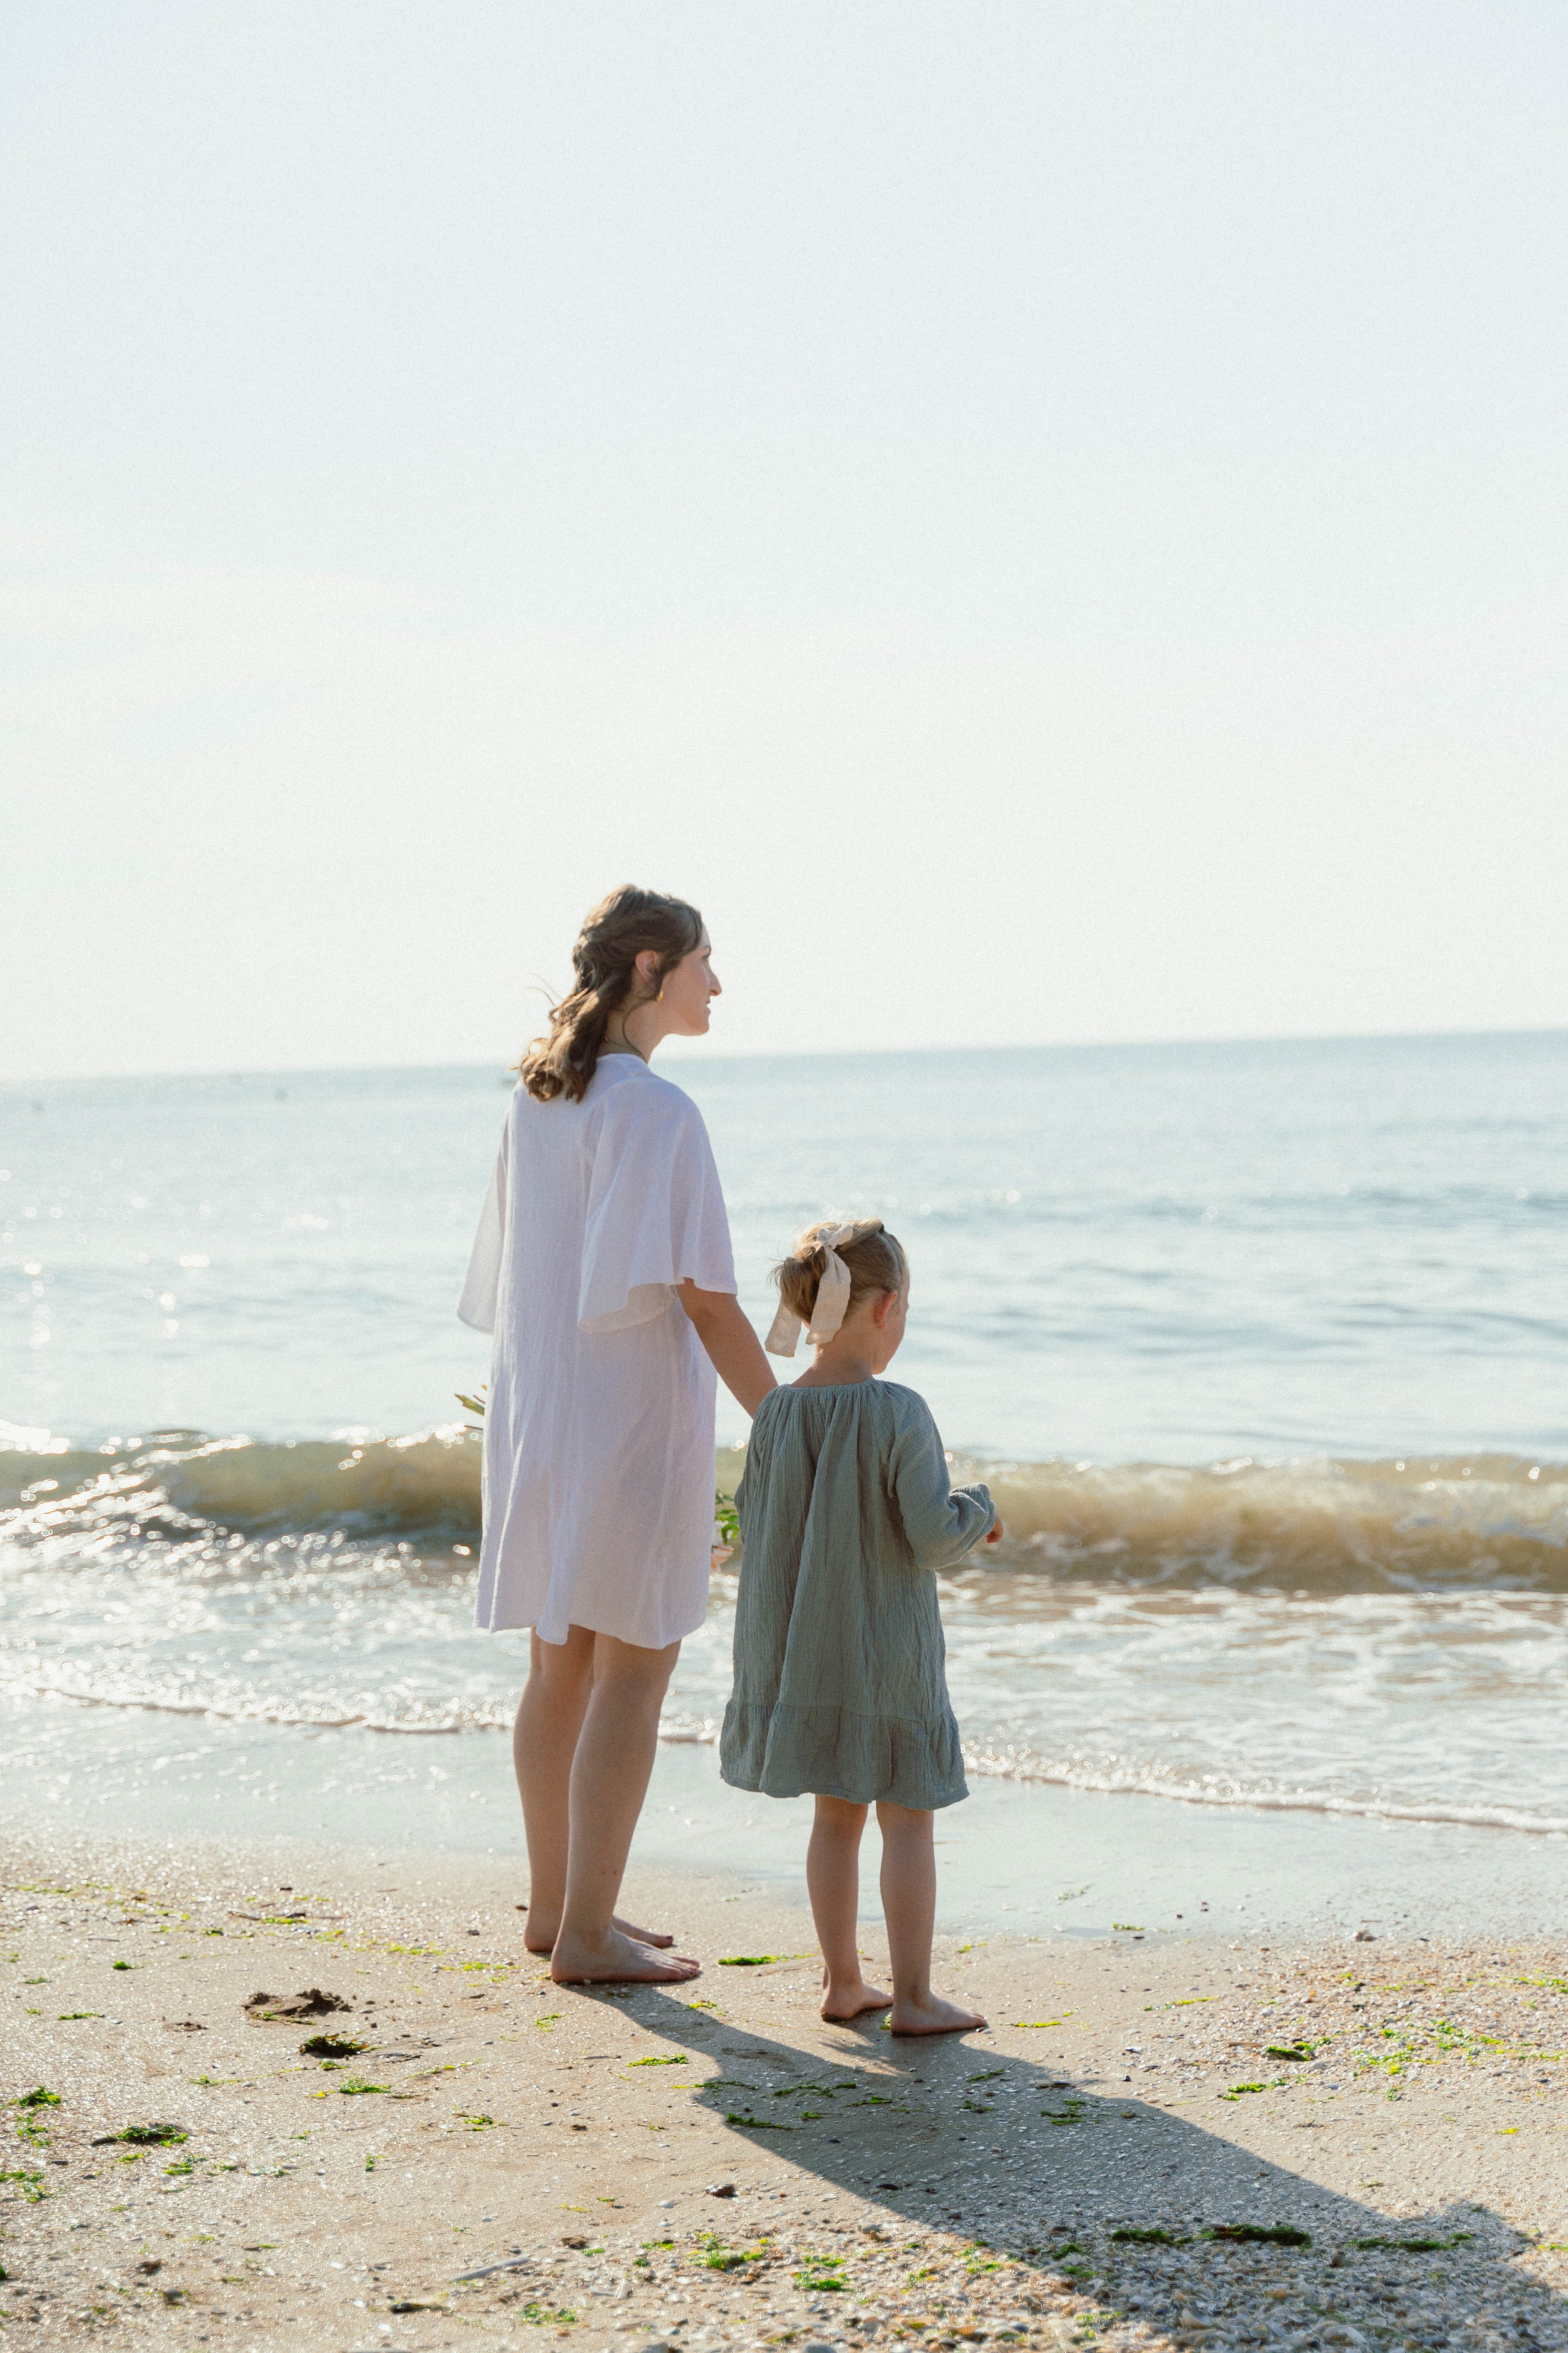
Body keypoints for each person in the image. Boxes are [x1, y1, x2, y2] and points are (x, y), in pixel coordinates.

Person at [458, 885, 774, 1984]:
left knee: (562, 1664)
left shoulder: (539, 1098)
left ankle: (562, 1911)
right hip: (630, 1420)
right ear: (649, 967)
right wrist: (786, 1424)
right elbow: (706, 1298)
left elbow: (517, 1282)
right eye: (702, 962)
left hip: (544, 1408)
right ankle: (589, 1936)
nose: (716, 985)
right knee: (634, 1669)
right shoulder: (657, 1110)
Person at [720, 1218, 1001, 2034]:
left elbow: (760, 1530)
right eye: (906, 1308)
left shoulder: (774, 1415)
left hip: (804, 1658)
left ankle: (844, 1981)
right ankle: (913, 1995)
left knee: (833, 1817)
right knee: (907, 1815)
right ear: (884, 1309)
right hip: (887, 1655)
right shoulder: (898, 1411)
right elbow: (928, 1531)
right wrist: (980, 1510)